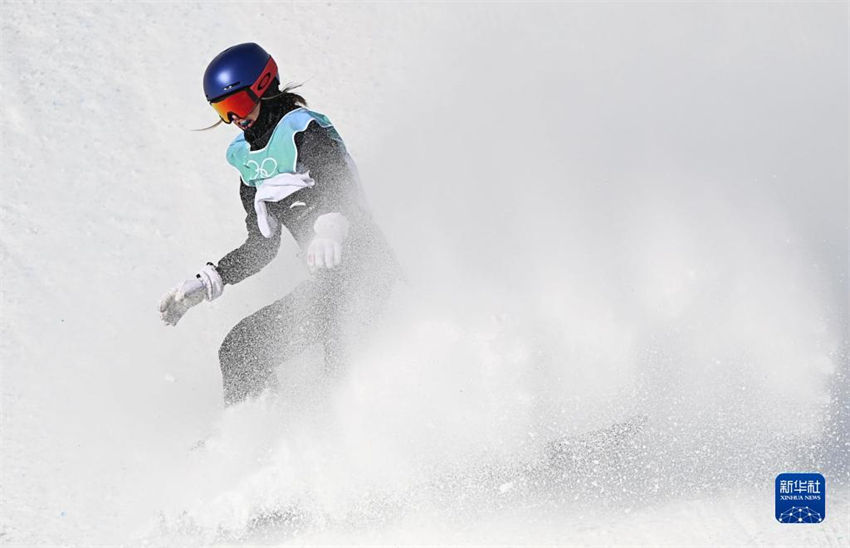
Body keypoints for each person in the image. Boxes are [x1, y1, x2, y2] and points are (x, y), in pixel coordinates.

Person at [159, 43, 400, 405]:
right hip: (328, 287)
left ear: (265, 85)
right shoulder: (249, 164)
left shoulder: (303, 131)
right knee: (240, 349)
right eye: (223, 111)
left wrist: (331, 227)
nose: (235, 119)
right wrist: (212, 278)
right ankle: (254, 437)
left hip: (367, 273)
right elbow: (261, 245)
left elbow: (340, 184)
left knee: (340, 365)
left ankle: (331, 439)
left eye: (238, 105)